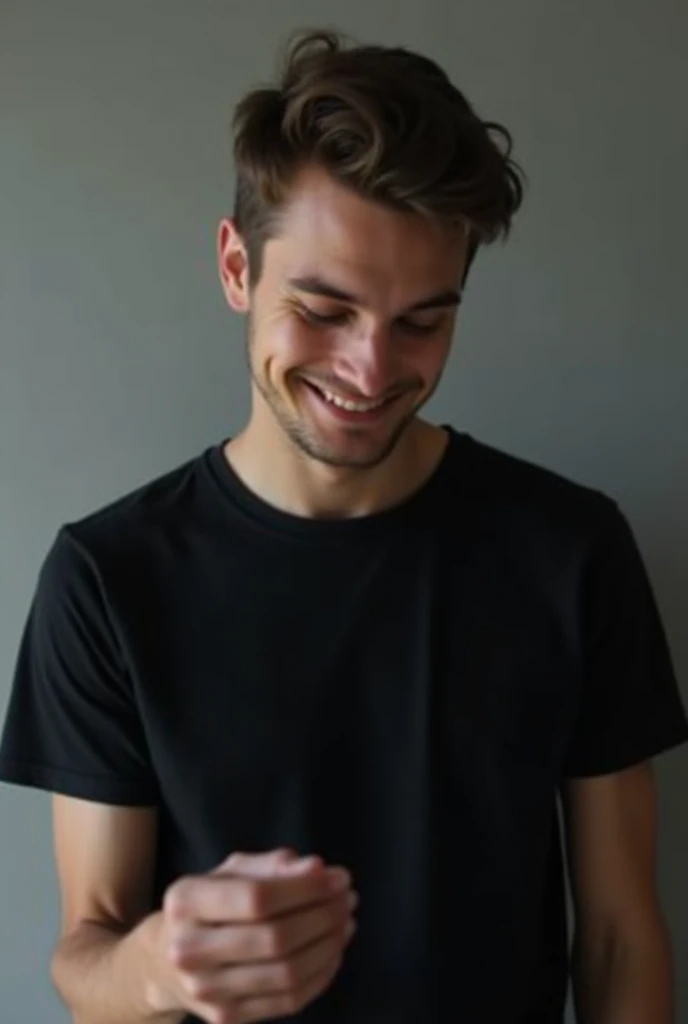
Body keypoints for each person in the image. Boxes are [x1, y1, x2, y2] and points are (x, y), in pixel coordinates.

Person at [0, 27, 686, 1024]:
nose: (370, 372)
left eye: (421, 319)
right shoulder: (109, 575)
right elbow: (86, 958)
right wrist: (158, 968)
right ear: (237, 267)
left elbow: (622, 934)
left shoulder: (569, 550)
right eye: (323, 308)